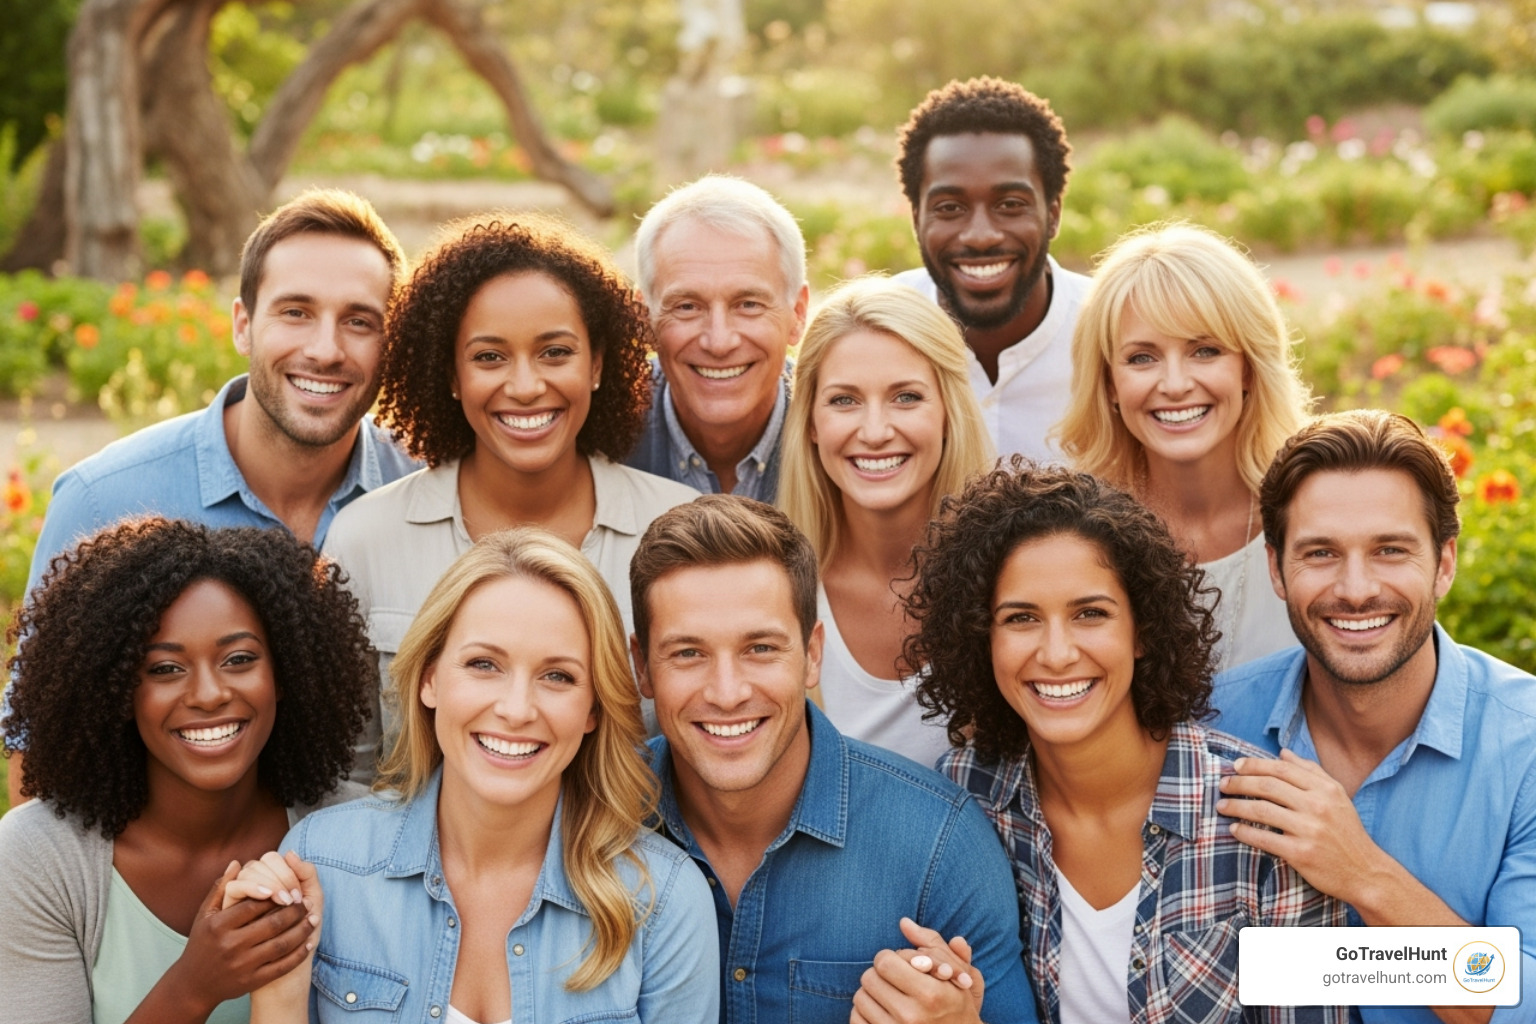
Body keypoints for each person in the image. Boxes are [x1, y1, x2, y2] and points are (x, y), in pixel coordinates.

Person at [5, 188, 416, 808]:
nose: (326, 349)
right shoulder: (104, 499)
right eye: (295, 312)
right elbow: (40, 754)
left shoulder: (428, 497)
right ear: (243, 325)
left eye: (360, 321)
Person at [906, 462, 1346, 1024]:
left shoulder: (1264, 822)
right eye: (1021, 618)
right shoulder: (965, 798)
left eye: (1090, 614)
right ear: (982, 639)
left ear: (1141, 631)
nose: (1058, 652)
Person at [227, 529, 719, 1023]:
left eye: (558, 676)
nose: (516, 709)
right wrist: (280, 992)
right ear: (430, 677)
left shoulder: (666, 902)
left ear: (593, 707)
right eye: (484, 664)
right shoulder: (324, 861)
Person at [628, 495, 1039, 1024]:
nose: (727, 693)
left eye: (760, 649)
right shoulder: (590, 821)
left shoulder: (941, 845)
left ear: (812, 654)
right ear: (642, 667)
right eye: (688, 653)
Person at [323, 212, 698, 765]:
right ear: (450, 375)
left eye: (555, 352)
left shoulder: (680, 530)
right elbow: (344, 773)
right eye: (489, 357)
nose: (525, 386)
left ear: (597, 363)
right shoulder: (365, 540)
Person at [1210, 409, 1536, 1024]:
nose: (1356, 589)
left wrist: (1366, 875)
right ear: (1277, 569)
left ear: (1443, 563)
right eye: (1321, 553)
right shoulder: (1213, 724)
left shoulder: (1527, 746)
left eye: (1390, 550)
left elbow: (1527, 999)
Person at [0, 517, 377, 1024]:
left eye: (239, 659)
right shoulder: (37, 858)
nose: (208, 694)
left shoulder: (364, 836)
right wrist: (196, 985)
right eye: (164, 669)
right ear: (115, 690)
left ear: (284, 673)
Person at [1057, 222, 1313, 671]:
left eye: (1205, 351)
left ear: (1249, 369)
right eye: (1142, 358)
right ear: (1109, 383)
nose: (1175, 385)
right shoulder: (1075, 536)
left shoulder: (1316, 513)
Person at [778, 277, 993, 766]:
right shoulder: (775, 591)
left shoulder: (1011, 578)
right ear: (810, 423)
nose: (874, 432)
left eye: (906, 397)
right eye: (844, 400)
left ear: (948, 413)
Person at [893, 77, 1086, 462]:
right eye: (950, 207)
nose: (980, 236)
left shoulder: (1112, 333)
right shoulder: (880, 331)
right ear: (917, 219)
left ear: (1052, 214)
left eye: (1010, 204)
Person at [629, 175, 807, 499]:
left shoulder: (840, 433)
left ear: (797, 313)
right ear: (645, 319)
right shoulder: (600, 439)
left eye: (748, 305)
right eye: (687, 307)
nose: (719, 342)